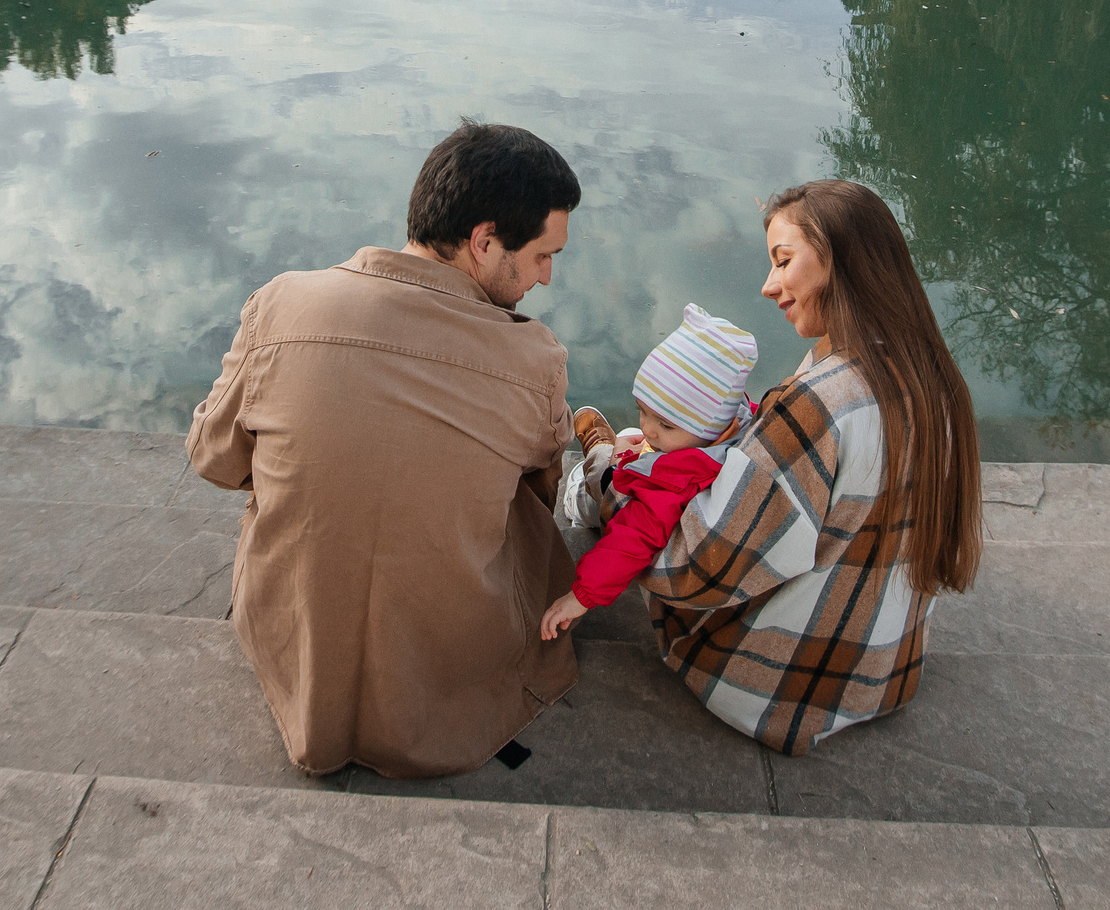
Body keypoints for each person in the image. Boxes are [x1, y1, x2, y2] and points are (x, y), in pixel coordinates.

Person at [187, 121, 582, 778]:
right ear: (484, 241)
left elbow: (213, 459)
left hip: (296, 658)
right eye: (543, 255)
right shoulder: (533, 356)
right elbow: (543, 489)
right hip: (450, 683)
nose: (546, 277)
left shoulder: (280, 304)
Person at [636, 178, 983, 755]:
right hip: (886, 672)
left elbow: (700, 566)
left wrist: (618, 486)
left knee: (642, 498)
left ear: (839, 259)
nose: (768, 285)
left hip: (778, 687)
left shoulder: (820, 400)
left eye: (783, 260)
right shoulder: (935, 381)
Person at [540, 304, 760, 640]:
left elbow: (631, 540)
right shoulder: (736, 422)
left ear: (711, 427)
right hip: (672, 468)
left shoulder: (672, 484)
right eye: (643, 410)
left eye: (666, 425)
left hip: (627, 506)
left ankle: (581, 494)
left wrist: (579, 597)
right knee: (634, 437)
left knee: (607, 476)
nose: (650, 428)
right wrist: (663, 436)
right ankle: (604, 452)